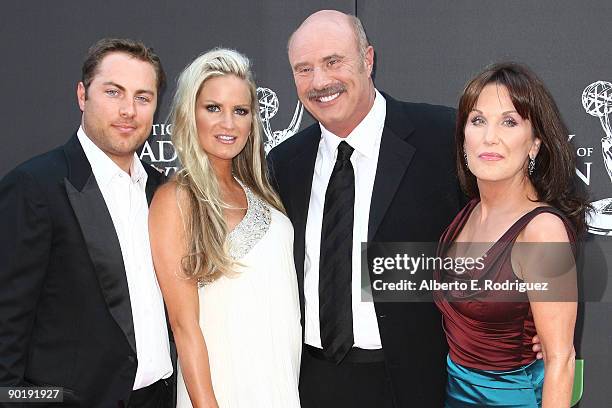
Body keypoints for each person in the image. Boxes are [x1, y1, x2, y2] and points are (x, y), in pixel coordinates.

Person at [267, 10, 463, 407]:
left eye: (333, 62)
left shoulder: (443, 137)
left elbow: (510, 227)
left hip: (415, 382)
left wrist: (533, 320)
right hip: (313, 382)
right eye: (303, 69)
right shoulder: (284, 163)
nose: (320, 82)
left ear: (368, 59)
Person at [0, 38, 174, 407]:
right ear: (83, 95)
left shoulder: (162, 191)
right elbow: (6, 325)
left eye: (143, 97)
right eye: (113, 92)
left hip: (158, 398)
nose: (129, 110)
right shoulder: (36, 186)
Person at [149, 48, 301, 408]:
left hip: (279, 383)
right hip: (224, 390)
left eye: (240, 111)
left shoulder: (261, 193)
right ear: (191, 114)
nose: (228, 124)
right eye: (213, 108)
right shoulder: (176, 200)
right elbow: (185, 328)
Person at [434, 62, 585, 407]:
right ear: (463, 138)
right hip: (454, 395)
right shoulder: (466, 213)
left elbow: (561, 361)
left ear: (534, 144)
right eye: (478, 120)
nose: (490, 137)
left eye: (509, 121)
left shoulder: (542, 232)